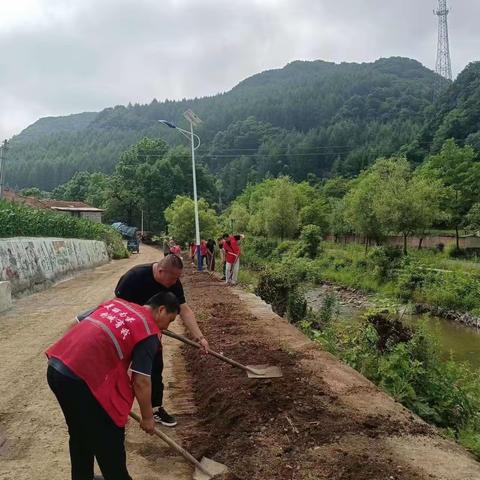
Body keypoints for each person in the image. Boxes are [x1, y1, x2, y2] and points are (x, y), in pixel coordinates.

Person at [46, 292, 180, 480]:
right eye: (170, 320)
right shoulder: (148, 331)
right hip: (80, 381)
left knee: (79, 433)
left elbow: (74, 323)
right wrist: (148, 417)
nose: (167, 327)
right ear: (161, 310)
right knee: (109, 438)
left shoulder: (116, 304)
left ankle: (82, 476)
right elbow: (141, 381)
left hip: (56, 369)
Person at [114, 254, 209, 427]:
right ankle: (117, 409)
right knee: (119, 369)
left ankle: (155, 409)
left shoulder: (174, 283)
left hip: (151, 334)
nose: (175, 282)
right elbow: (118, 308)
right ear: (160, 271)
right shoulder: (134, 277)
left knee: (155, 368)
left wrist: (199, 337)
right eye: (173, 278)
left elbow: (184, 309)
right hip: (127, 332)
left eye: (177, 278)